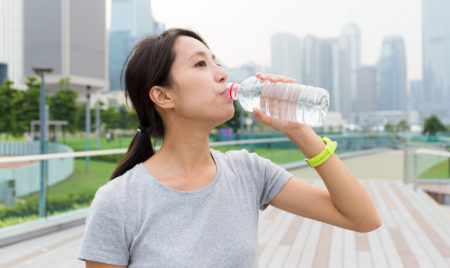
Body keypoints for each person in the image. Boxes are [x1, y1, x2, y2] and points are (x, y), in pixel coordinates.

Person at [78, 28, 381, 268]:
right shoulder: (118, 201)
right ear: (163, 96)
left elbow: (363, 218)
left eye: (215, 61)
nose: (222, 73)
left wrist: (299, 130)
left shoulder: (247, 171)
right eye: (200, 64)